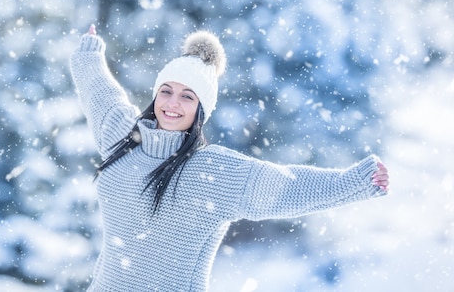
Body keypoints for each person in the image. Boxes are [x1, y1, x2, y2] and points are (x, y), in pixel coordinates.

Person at [69, 24, 390, 291]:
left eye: (187, 96)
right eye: (166, 91)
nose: (172, 103)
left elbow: (286, 187)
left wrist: (355, 182)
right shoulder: (121, 137)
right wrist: (89, 54)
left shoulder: (213, 172)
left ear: (200, 110)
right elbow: (100, 91)